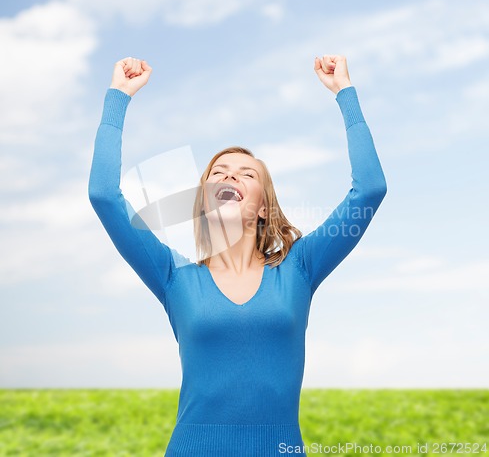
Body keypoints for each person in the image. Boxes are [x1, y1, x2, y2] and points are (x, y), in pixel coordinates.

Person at [88, 55, 387, 456]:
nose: (229, 175)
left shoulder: (299, 268)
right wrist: (118, 97)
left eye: (246, 174)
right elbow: (104, 195)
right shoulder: (173, 276)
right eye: (218, 172)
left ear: (263, 207)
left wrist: (344, 94)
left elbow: (369, 189)